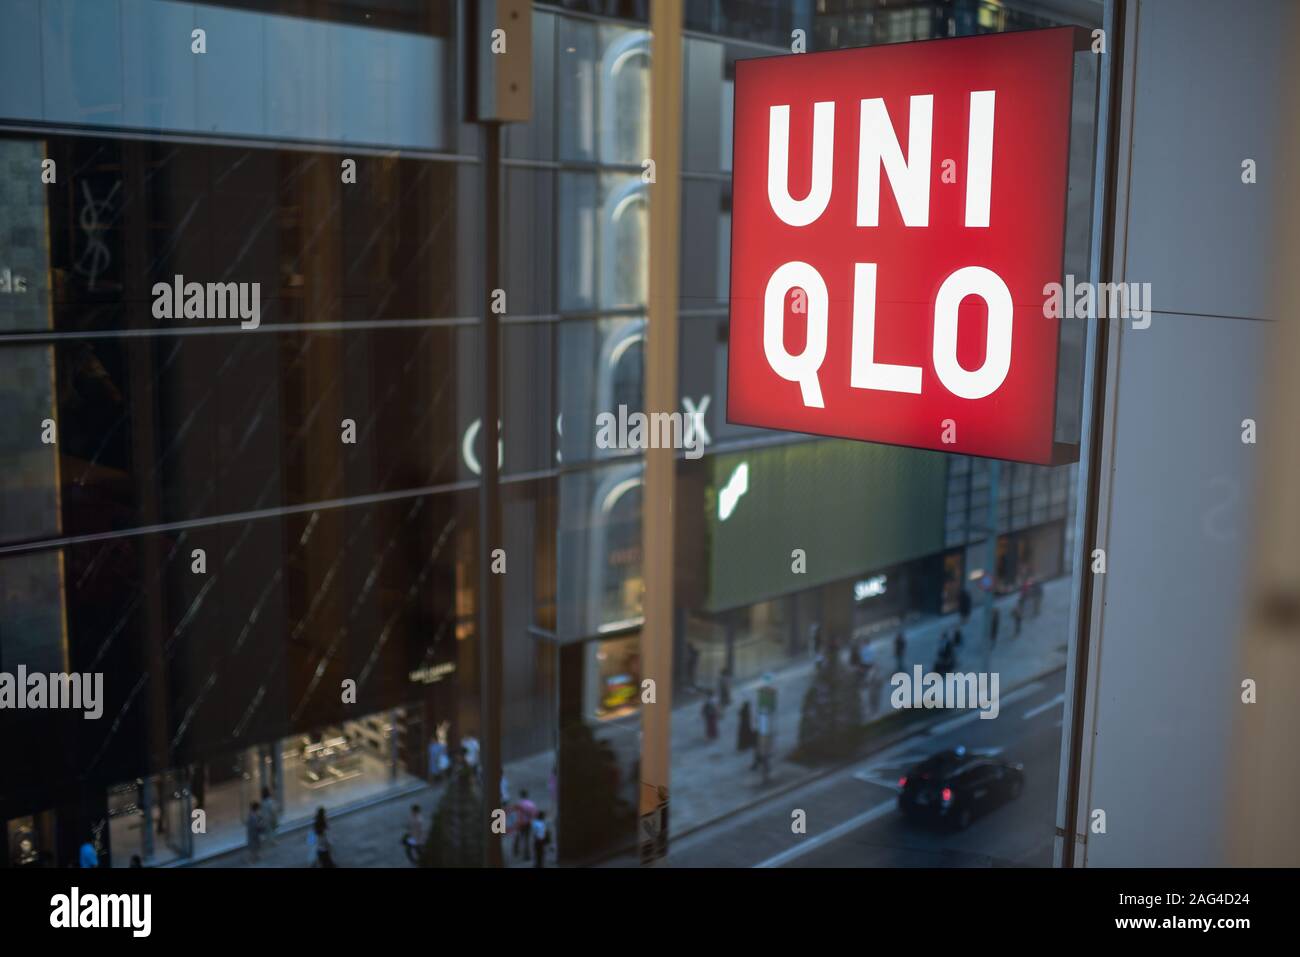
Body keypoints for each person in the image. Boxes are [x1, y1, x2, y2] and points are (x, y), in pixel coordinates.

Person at [512, 790, 538, 861]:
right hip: (528, 823)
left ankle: (516, 851)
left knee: (519, 837)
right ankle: (527, 854)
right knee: (527, 839)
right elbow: (534, 814)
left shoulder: (519, 804)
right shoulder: (531, 804)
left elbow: (515, 814)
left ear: (521, 796)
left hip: (520, 823)